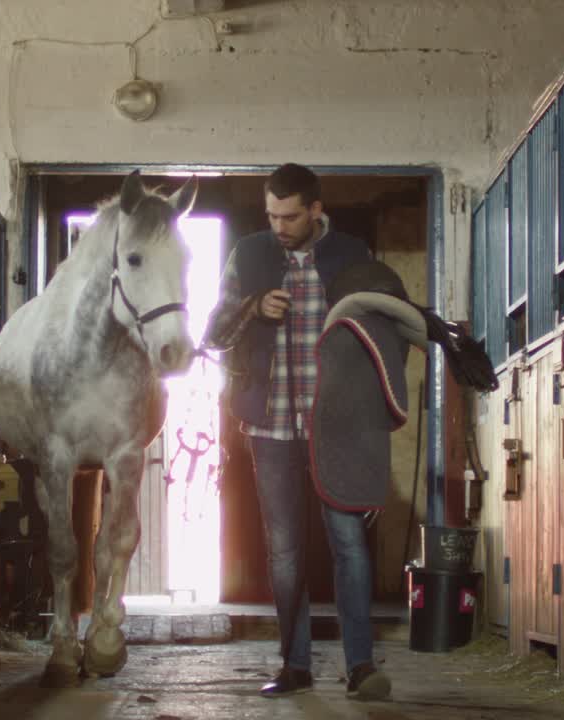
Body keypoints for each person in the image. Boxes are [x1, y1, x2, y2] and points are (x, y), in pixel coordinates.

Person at [203, 163, 392, 701]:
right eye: (271, 215)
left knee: (349, 544)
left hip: (338, 426)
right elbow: (214, 331)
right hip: (270, 423)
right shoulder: (250, 254)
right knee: (284, 551)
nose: (279, 226)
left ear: (315, 210)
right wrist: (253, 307)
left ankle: (361, 666)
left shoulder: (353, 256)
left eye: (289, 216)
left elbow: (382, 332)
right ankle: (295, 664)